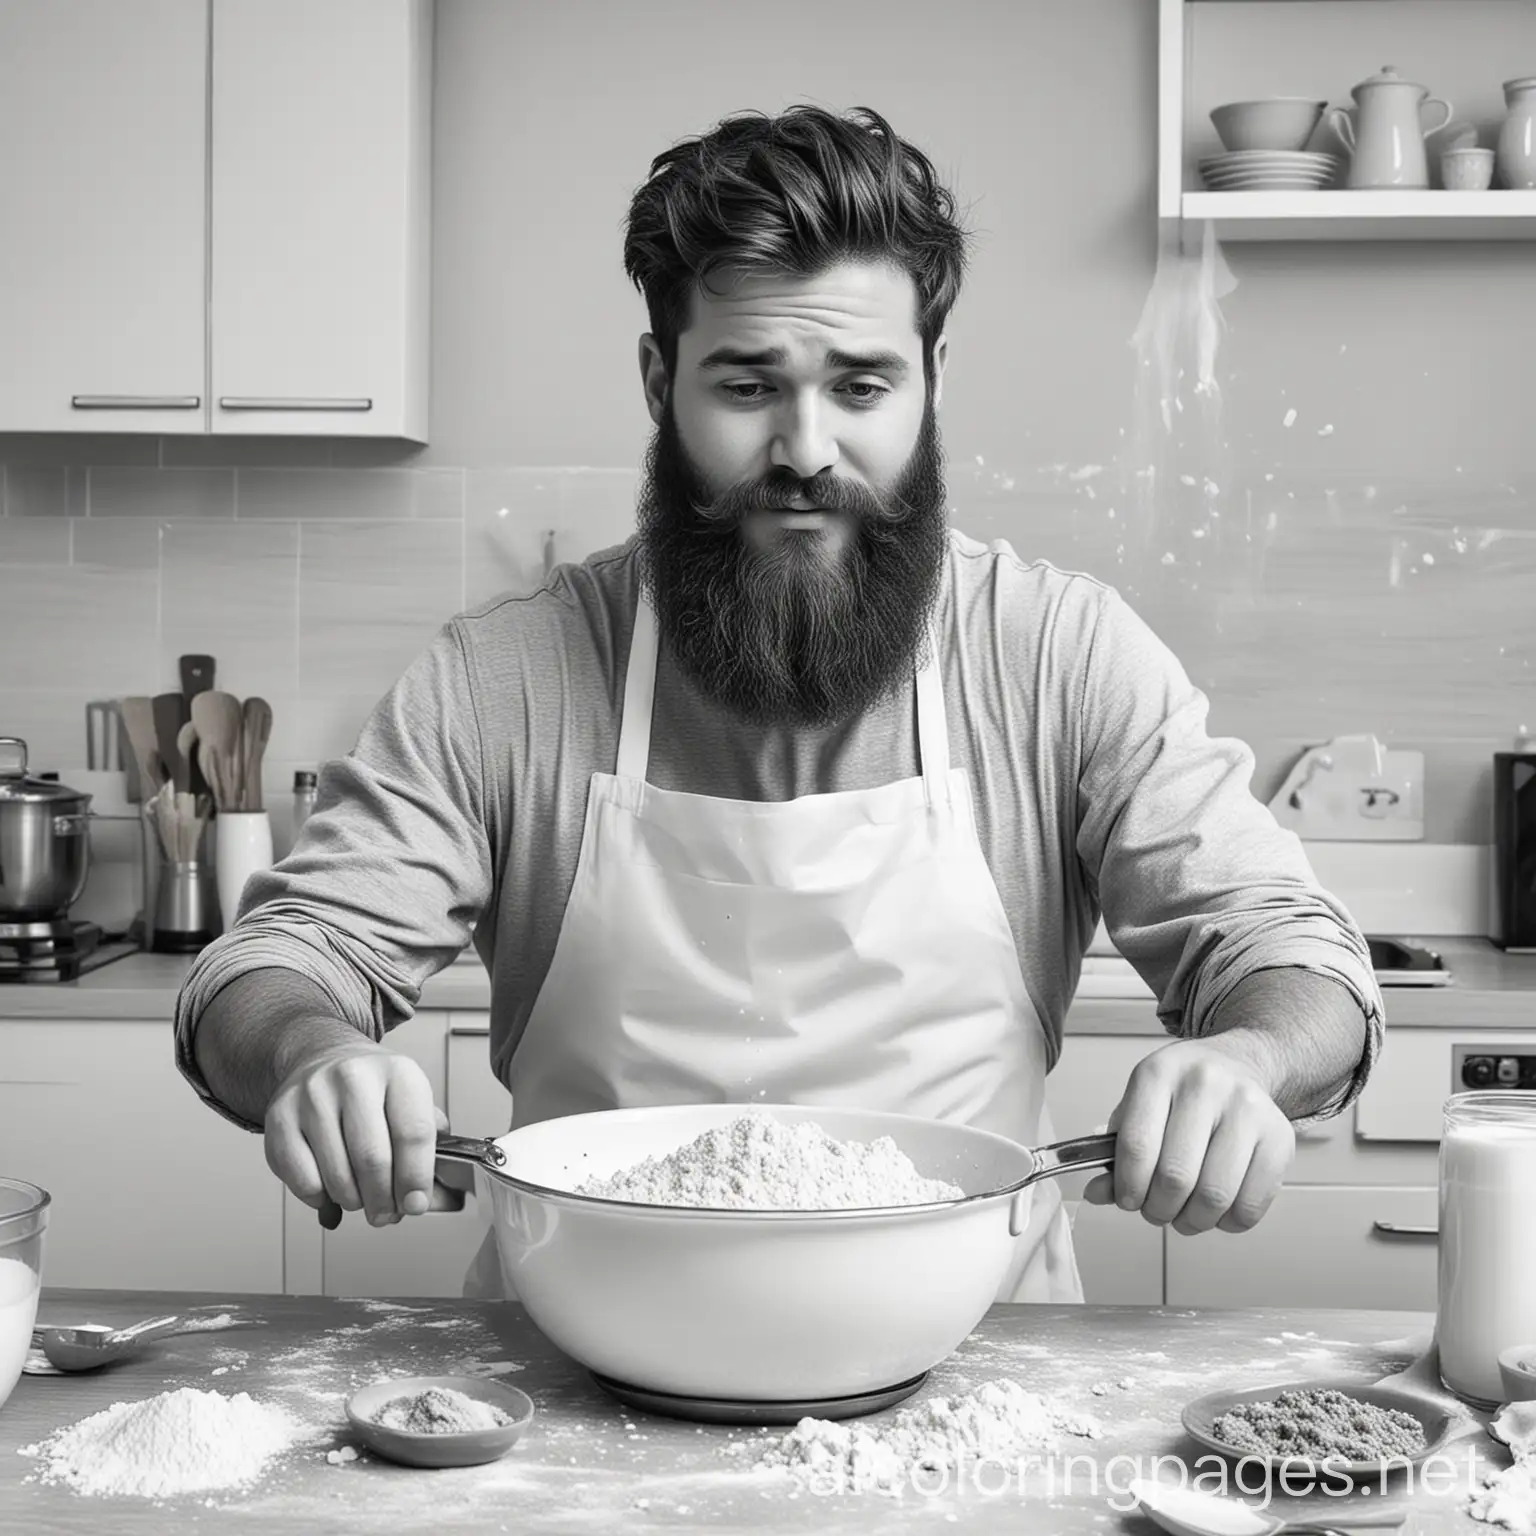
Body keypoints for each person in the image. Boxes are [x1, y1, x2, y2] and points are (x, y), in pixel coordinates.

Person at [174, 104, 1383, 1303]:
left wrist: (1249, 1054)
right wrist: (313, 1053)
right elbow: (274, 963)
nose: (806, 449)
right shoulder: (509, 676)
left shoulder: (1056, 654)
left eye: (862, 386)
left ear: (932, 379)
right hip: (575, 1383)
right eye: (749, 386)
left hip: (973, 1381)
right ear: (661, 381)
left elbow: (1295, 955)